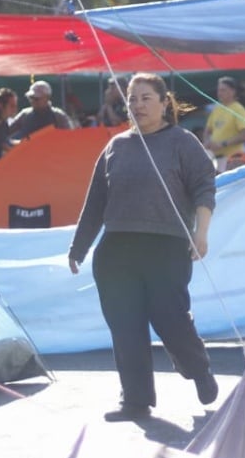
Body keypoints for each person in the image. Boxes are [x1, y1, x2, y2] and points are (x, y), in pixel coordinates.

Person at [68, 73, 219, 421]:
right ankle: (135, 401)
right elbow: (95, 202)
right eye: (132, 99)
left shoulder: (182, 142)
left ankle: (198, 369)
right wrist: (79, 247)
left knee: (171, 320)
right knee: (126, 326)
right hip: (116, 251)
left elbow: (204, 188)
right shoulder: (116, 146)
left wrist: (201, 232)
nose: (136, 105)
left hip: (166, 248)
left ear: (165, 102)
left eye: (145, 98)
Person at [202, 76, 245, 169]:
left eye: (223, 90)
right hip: (217, 159)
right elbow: (207, 130)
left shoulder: (238, 109)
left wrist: (223, 144)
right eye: (218, 90)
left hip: (234, 159)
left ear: (233, 91)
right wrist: (207, 142)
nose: (219, 93)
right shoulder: (217, 109)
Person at [10, 80, 74, 139]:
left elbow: (69, 137)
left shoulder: (59, 116)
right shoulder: (25, 115)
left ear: (47, 97)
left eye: (36, 98)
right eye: (30, 98)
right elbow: (7, 131)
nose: (32, 101)